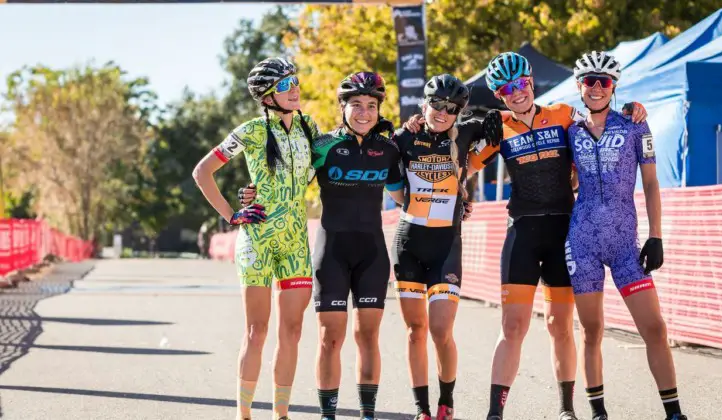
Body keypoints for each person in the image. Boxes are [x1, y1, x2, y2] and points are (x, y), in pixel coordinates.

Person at [465, 51, 647, 420]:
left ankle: (567, 409)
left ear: (531, 82)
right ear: (499, 95)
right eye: (506, 89)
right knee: (513, 326)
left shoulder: (564, 115)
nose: (516, 93)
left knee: (559, 325)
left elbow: (600, 118)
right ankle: (493, 414)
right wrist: (462, 189)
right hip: (523, 235)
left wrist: (631, 107)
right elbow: (462, 168)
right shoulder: (499, 127)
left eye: (521, 84)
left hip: (565, 232)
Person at [239, 71, 404, 420]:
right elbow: (285, 174)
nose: (364, 112)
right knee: (330, 337)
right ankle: (327, 415)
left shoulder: (389, 149)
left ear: (379, 110)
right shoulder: (322, 146)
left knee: (368, 337)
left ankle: (367, 414)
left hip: (372, 253)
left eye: (371, 106)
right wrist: (249, 191)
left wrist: (456, 193)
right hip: (331, 253)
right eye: (356, 104)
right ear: (342, 107)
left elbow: (405, 196)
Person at [192, 56, 319, 420]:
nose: (293, 89)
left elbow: (317, 167)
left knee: (292, 331)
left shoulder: (309, 125)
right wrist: (232, 213)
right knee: (257, 331)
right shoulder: (249, 131)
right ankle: (244, 415)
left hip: (295, 241)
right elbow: (203, 171)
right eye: (283, 85)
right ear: (266, 96)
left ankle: (282, 414)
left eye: (294, 81)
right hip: (257, 241)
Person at [565, 51, 687, 420]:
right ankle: (598, 411)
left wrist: (656, 235)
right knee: (592, 330)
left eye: (604, 81)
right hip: (582, 241)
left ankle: (674, 413)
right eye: (590, 81)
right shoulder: (569, 130)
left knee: (654, 327)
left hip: (625, 245)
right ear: (579, 87)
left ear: (614, 86)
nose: (597, 88)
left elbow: (650, 183)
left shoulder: (635, 125)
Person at [392, 74, 494, 420]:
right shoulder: (404, 136)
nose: (442, 112)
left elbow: (511, 120)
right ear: (425, 103)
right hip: (409, 242)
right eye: (436, 104)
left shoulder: (466, 133)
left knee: (440, 329)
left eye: (451, 108)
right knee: (414, 331)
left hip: (446, 244)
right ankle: (421, 408)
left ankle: (446, 401)